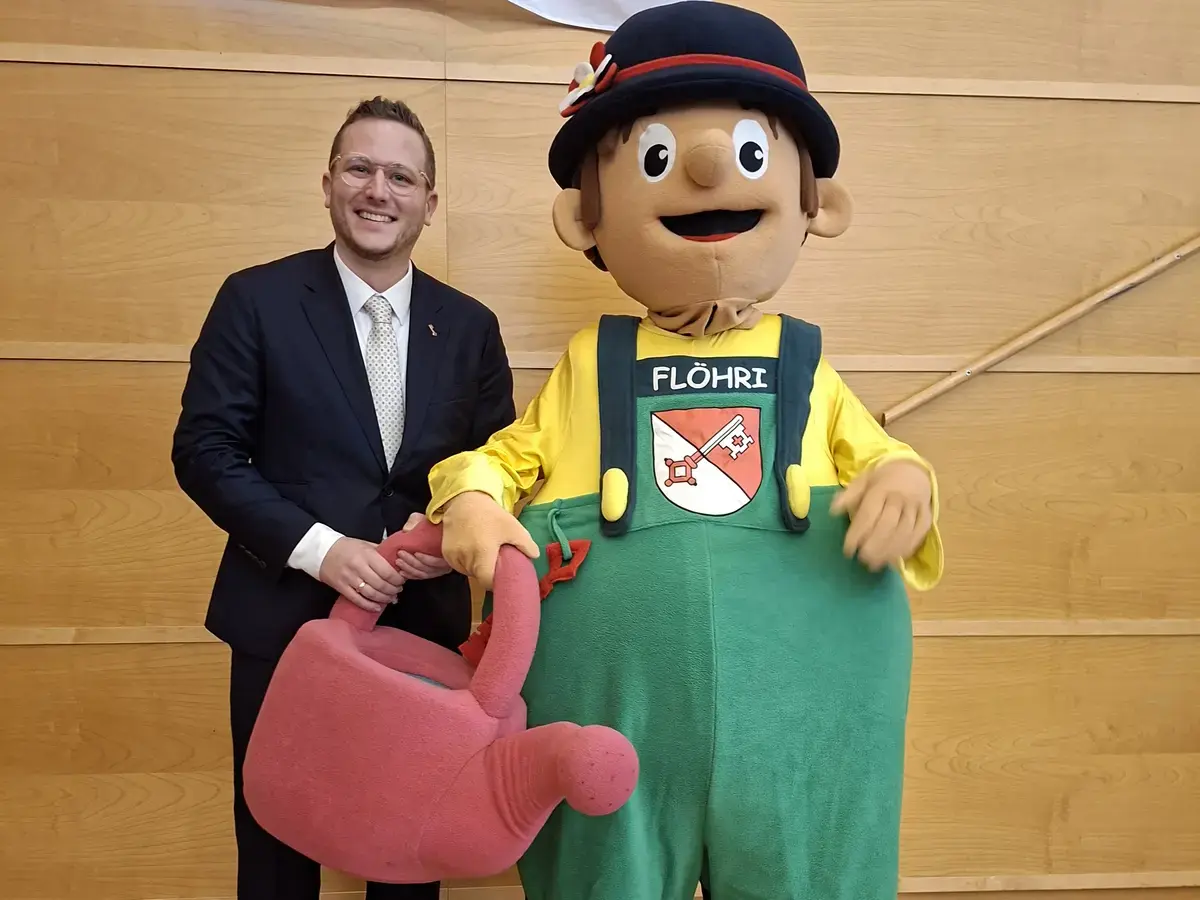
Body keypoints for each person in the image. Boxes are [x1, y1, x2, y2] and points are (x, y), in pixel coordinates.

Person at [423, 4, 944, 899]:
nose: (706, 168)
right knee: (607, 869)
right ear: (585, 217)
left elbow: (879, 454)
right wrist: (470, 497)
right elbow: (502, 458)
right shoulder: (591, 362)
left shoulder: (805, 362)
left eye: (749, 153)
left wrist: (903, 478)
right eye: (656, 158)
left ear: (817, 205)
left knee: (805, 866)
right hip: (619, 707)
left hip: (799, 700)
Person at [171, 96, 516, 900]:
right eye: (360, 168)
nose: (377, 190)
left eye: (401, 176)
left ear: (430, 202)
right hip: (283, 624)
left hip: (421, 633)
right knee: (276, 851)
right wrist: (322, 551)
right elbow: (205, 451)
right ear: (328, 183)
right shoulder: (255, 300)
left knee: (408, 851)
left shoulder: (471, 326)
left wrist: (447, 536)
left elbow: (497, 464)